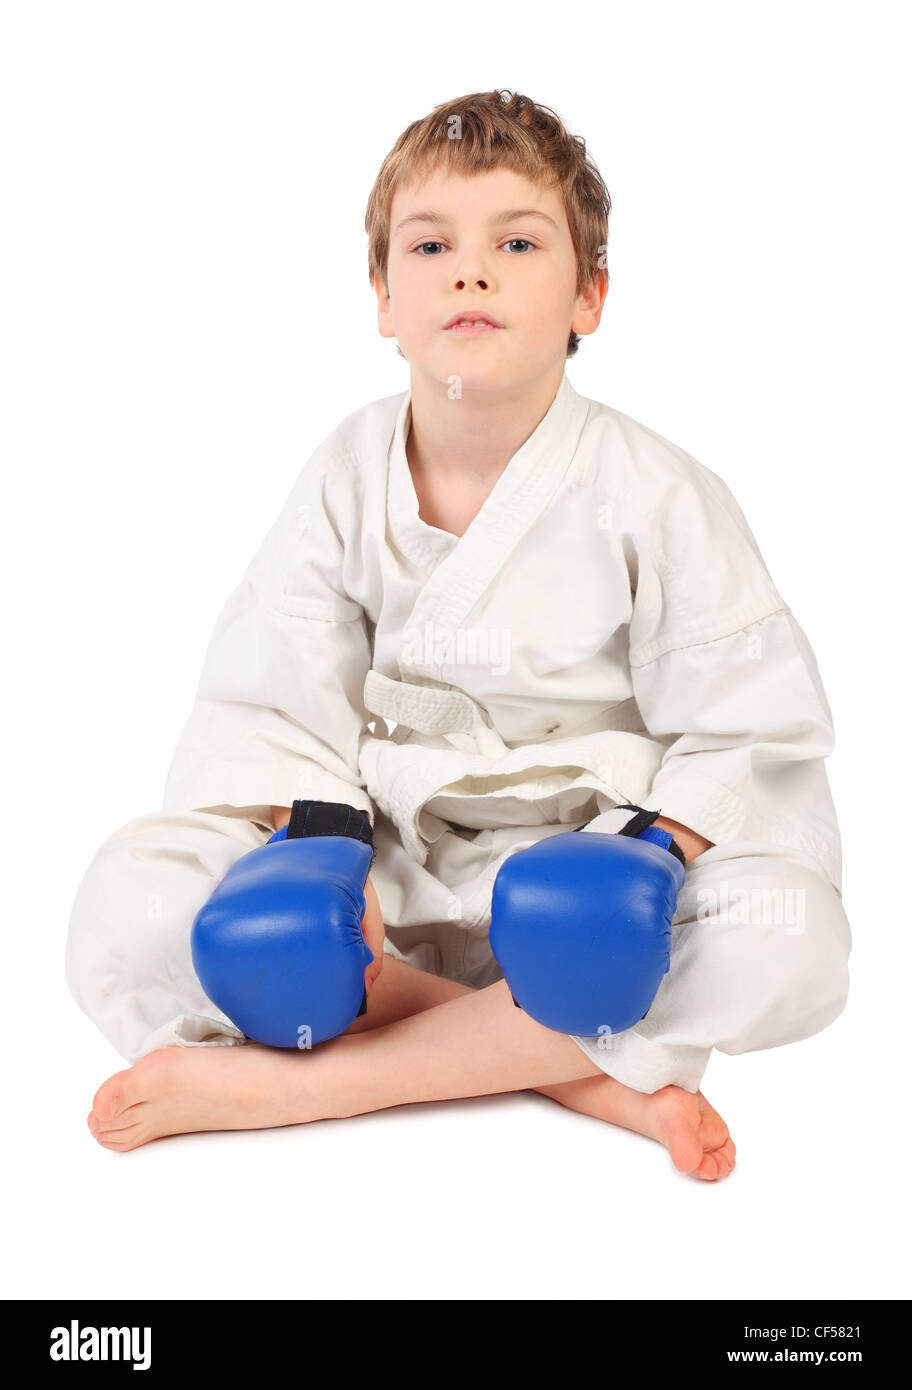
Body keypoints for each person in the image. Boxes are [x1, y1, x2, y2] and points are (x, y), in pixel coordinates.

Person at [66, 89, 850, 1180]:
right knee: (126, 901)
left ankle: (319, 1077)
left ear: (591, 294)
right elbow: (271, 703)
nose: (469, 271)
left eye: (517, 242)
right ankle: (573, 1069)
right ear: (384, 296)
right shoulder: (345, 472)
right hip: (384, 884)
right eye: (431, 244)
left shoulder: (660, 493)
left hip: (591, 894)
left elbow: (751, 734)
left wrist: (650, 850)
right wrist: (316, 852)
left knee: (790, 939)